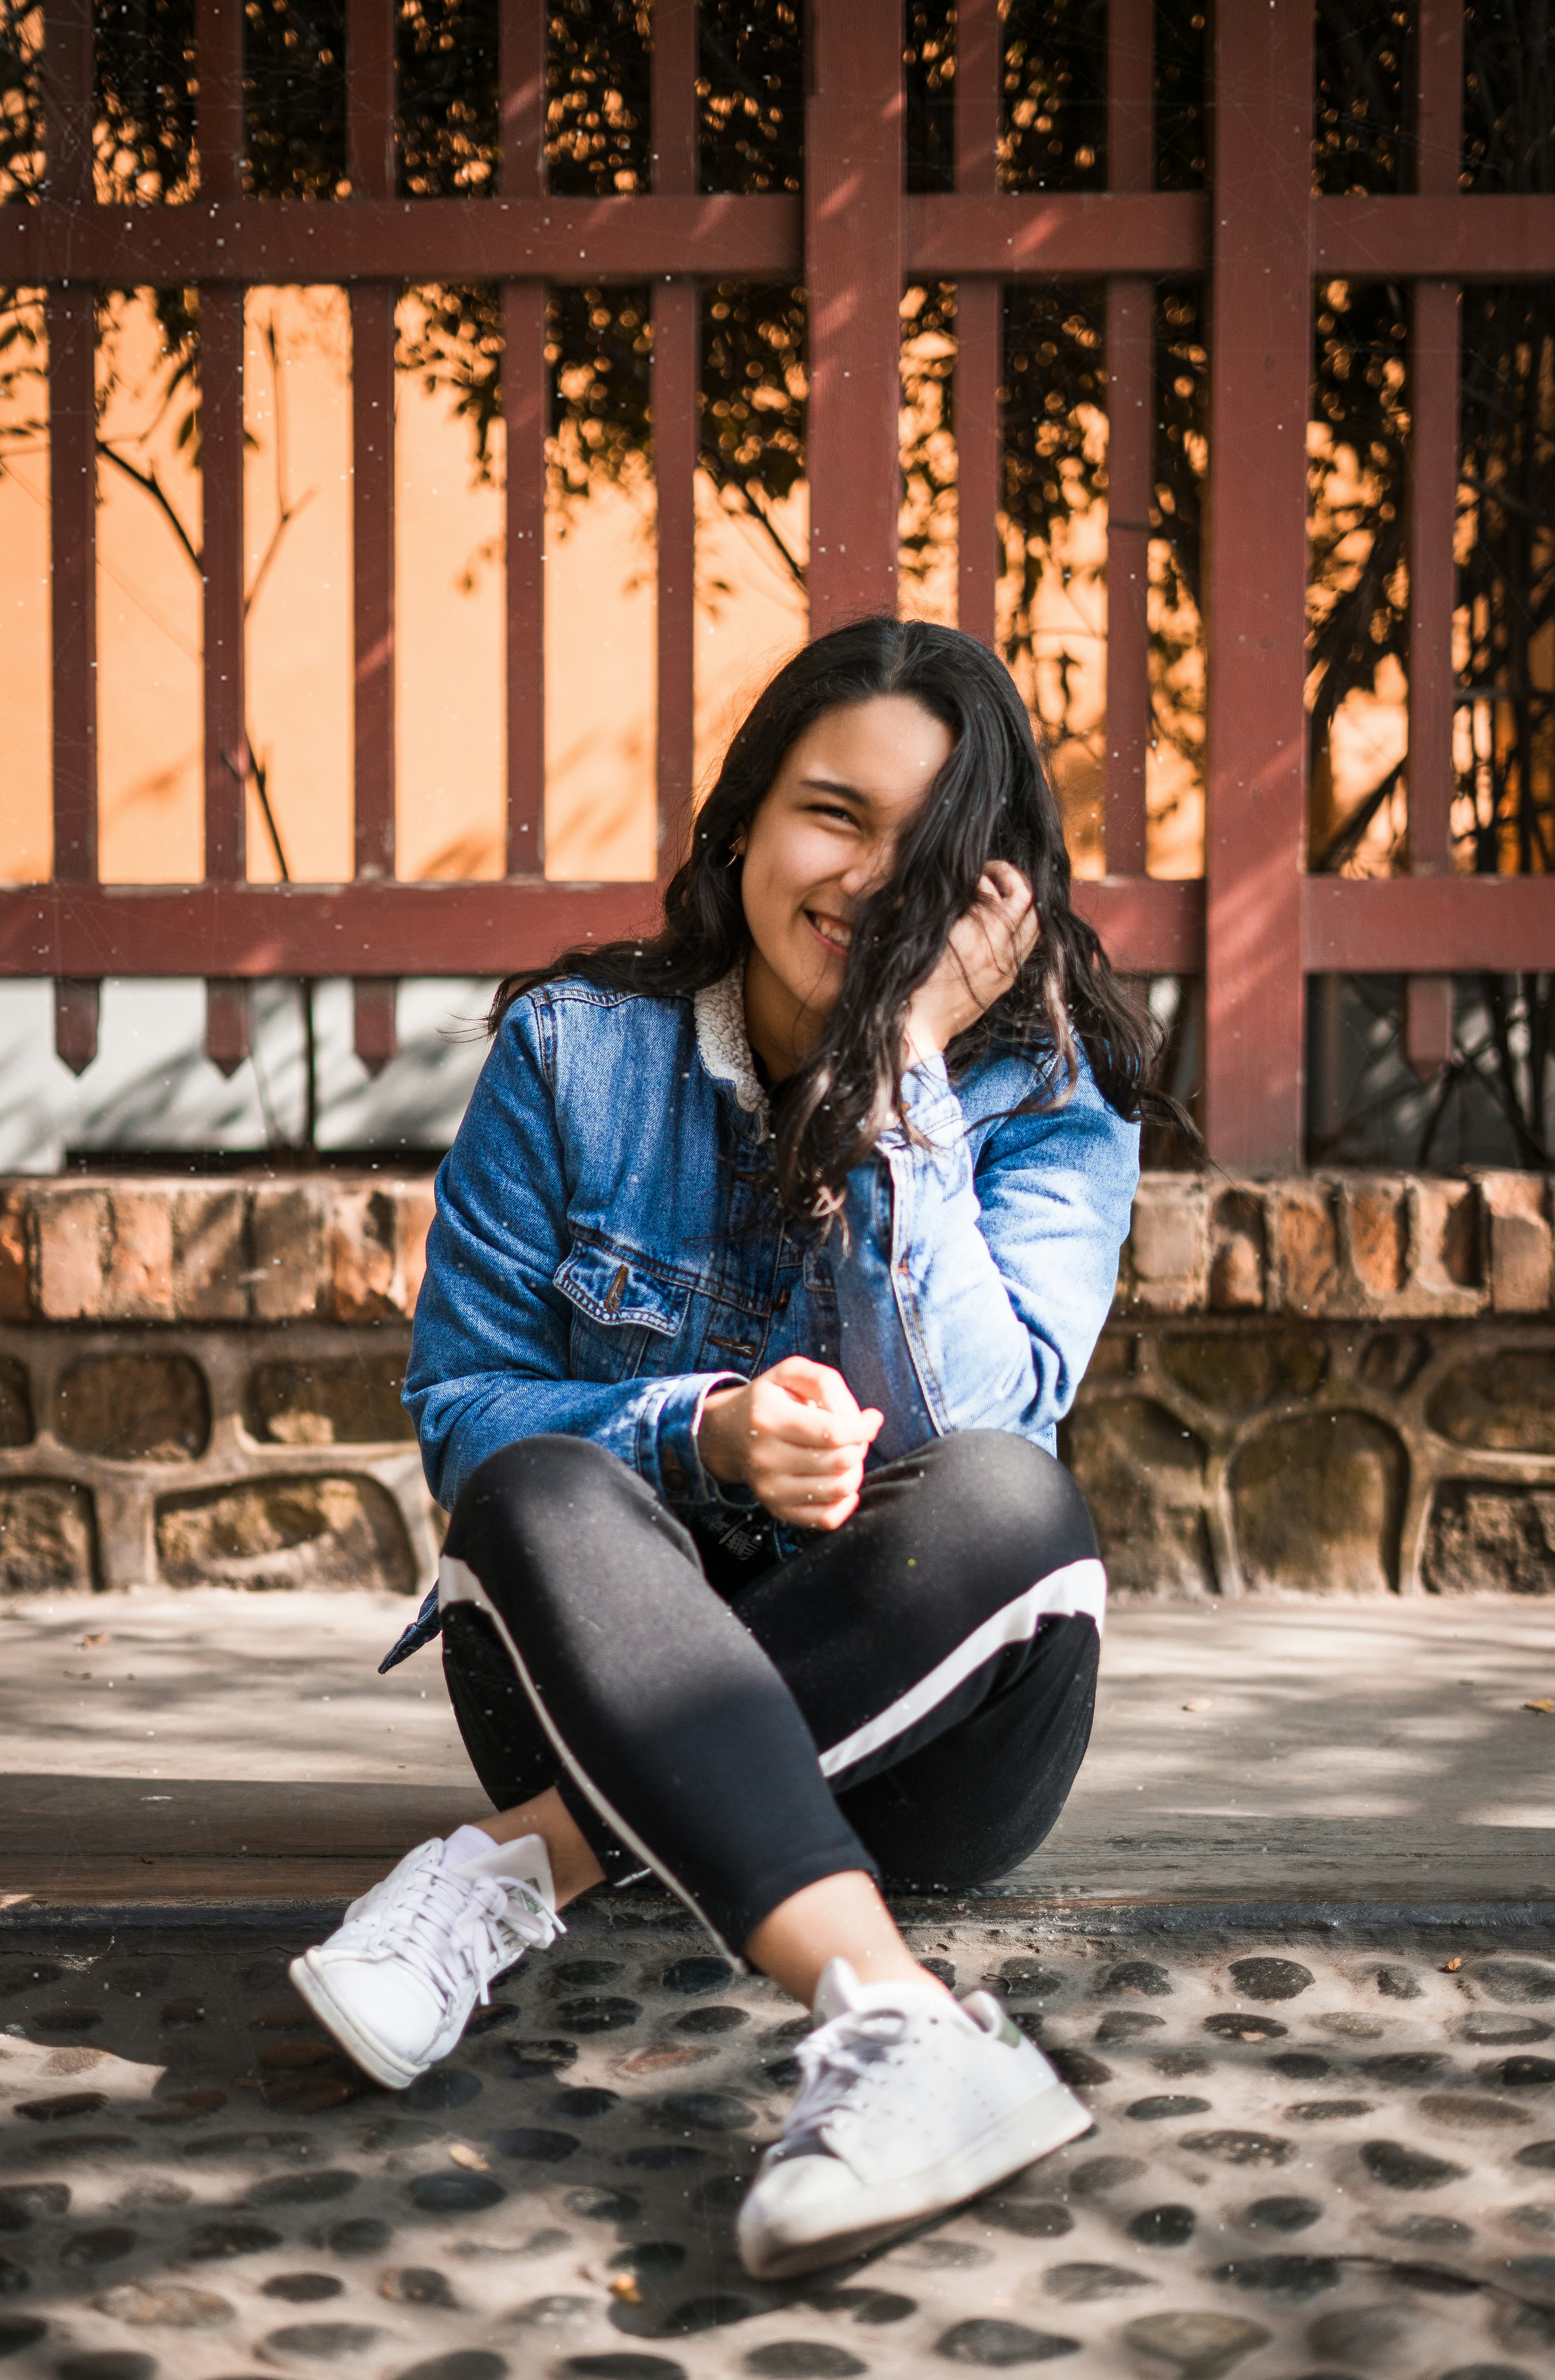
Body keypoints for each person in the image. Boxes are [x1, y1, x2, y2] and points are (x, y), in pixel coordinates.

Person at [290, 615, 1165, 2278]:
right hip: (582, 1680)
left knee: (1010, 1497)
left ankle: (514, 1871)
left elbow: (1000, 1419)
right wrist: (699, 1430)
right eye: (833, 814)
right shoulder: (573, 1055)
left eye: (933, 850)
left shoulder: (1054, 1100)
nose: (870, 880)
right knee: (540, 1477)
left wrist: (901, 1076)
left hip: (933, 1742)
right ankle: (902, 2026)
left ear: (1002, 892)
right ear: (745, 821)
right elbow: (466, 1410)